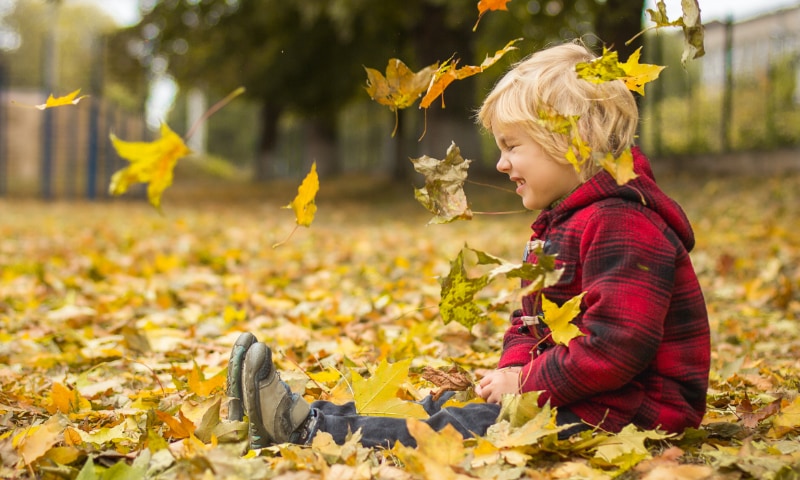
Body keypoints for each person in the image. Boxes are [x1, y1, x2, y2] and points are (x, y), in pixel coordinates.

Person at [225, 40, 711, 449]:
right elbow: (532, 321)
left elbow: (616, 347)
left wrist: (524, 383)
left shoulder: (622, 223)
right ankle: (306, 416)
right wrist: (513, 371)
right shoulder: (564, 221)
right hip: (582, 397)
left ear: (572, 140)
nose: (500, 165)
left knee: (459, 429)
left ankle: (310, 432)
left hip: (632, 416)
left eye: (513, 146)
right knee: (446, 407)